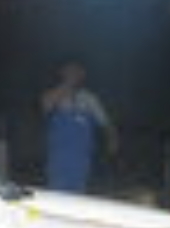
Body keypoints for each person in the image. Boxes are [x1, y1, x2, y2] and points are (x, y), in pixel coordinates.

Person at [41, 59, 119, 193]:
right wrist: (66, 86)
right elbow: (45, 106)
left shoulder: (90, 98)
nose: (73, 74)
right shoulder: (54, 94)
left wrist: (113, 139)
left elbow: (106, 122)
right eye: (69, 71)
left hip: (81, 158)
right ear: (62, 73)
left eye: (77, 71)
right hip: (58, 157)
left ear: (82, 75)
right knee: (57, 193)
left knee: (78, 195)